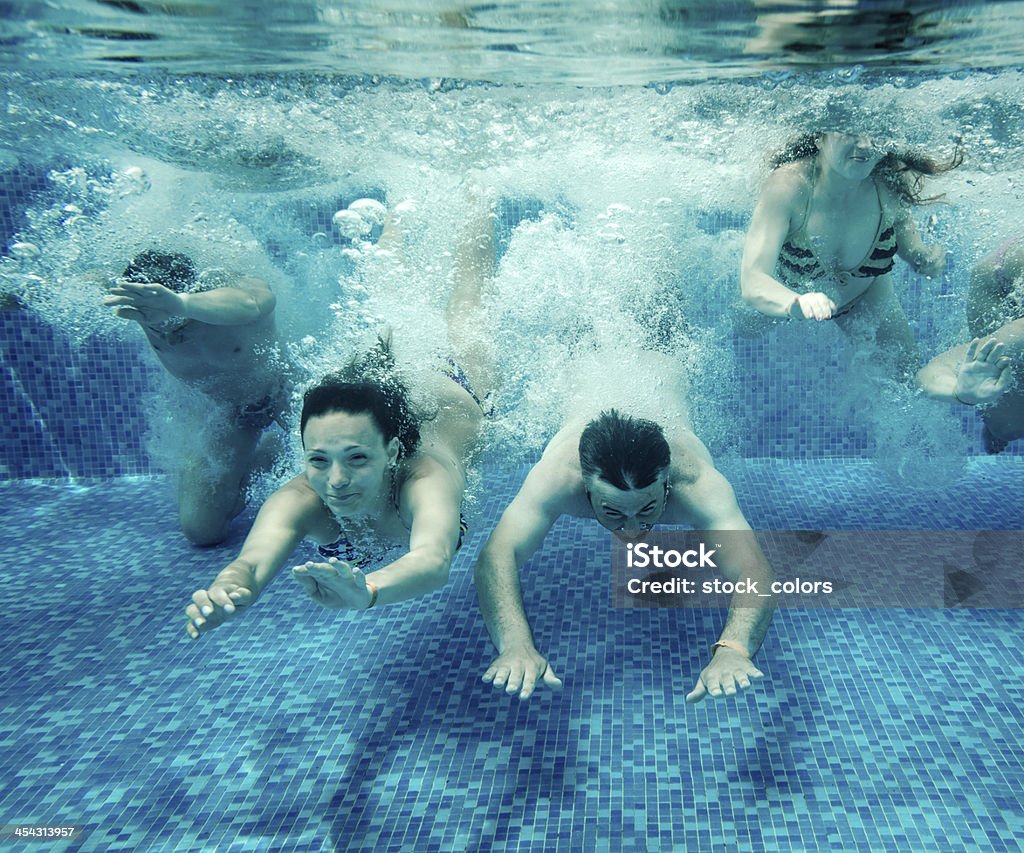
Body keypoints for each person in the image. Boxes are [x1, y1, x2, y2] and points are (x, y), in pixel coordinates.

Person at [184, 201, 497, 638]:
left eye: (356, 458)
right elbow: (250, 563)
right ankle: (400, 197)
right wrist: (230, 589)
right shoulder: (300, 498)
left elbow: (432, 558)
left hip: (453, 393)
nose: (336, 480)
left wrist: (368, 591)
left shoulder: (424, 479)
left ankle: (480, 187)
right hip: (389, 399)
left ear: (390, 452)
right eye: (318, 460)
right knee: (388, 302)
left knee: (466, 297)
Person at [475, 408, 776, 704]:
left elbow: (754, 569)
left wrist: (733, 648)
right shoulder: (557, 479)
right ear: (586, 491)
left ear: (667, 484)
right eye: (613, 512)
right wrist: (515, 644)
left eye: (647, 509)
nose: (632, 530)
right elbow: (498, 553)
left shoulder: (698, 486)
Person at [740, 124, 963, 380]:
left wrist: (925, 258)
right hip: (786, 296)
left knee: (907, 378)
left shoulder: (887, 185)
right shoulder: (788, 187)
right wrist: (793, 303)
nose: (866, 145)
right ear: (819, 138)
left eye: (875, 134)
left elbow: (908, 242)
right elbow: (754, 280)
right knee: (741, 331)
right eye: (850, 132)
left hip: (865, 300)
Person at [104, 250, 292, 546]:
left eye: (176, 323)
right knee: (201, 530)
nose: (168, 336)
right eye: (155, 326)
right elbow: (75, 283)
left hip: (285, 394)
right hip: (230, 411)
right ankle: (273, 454)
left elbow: (255, 302)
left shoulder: (228, 290)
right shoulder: (140, 305)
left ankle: (295, 450)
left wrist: (181, 305)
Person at [917, 236, 1023, 452]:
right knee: (1008, 426)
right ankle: (995, 419)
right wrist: (960, 392)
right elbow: (931, 372)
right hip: (995, 281)